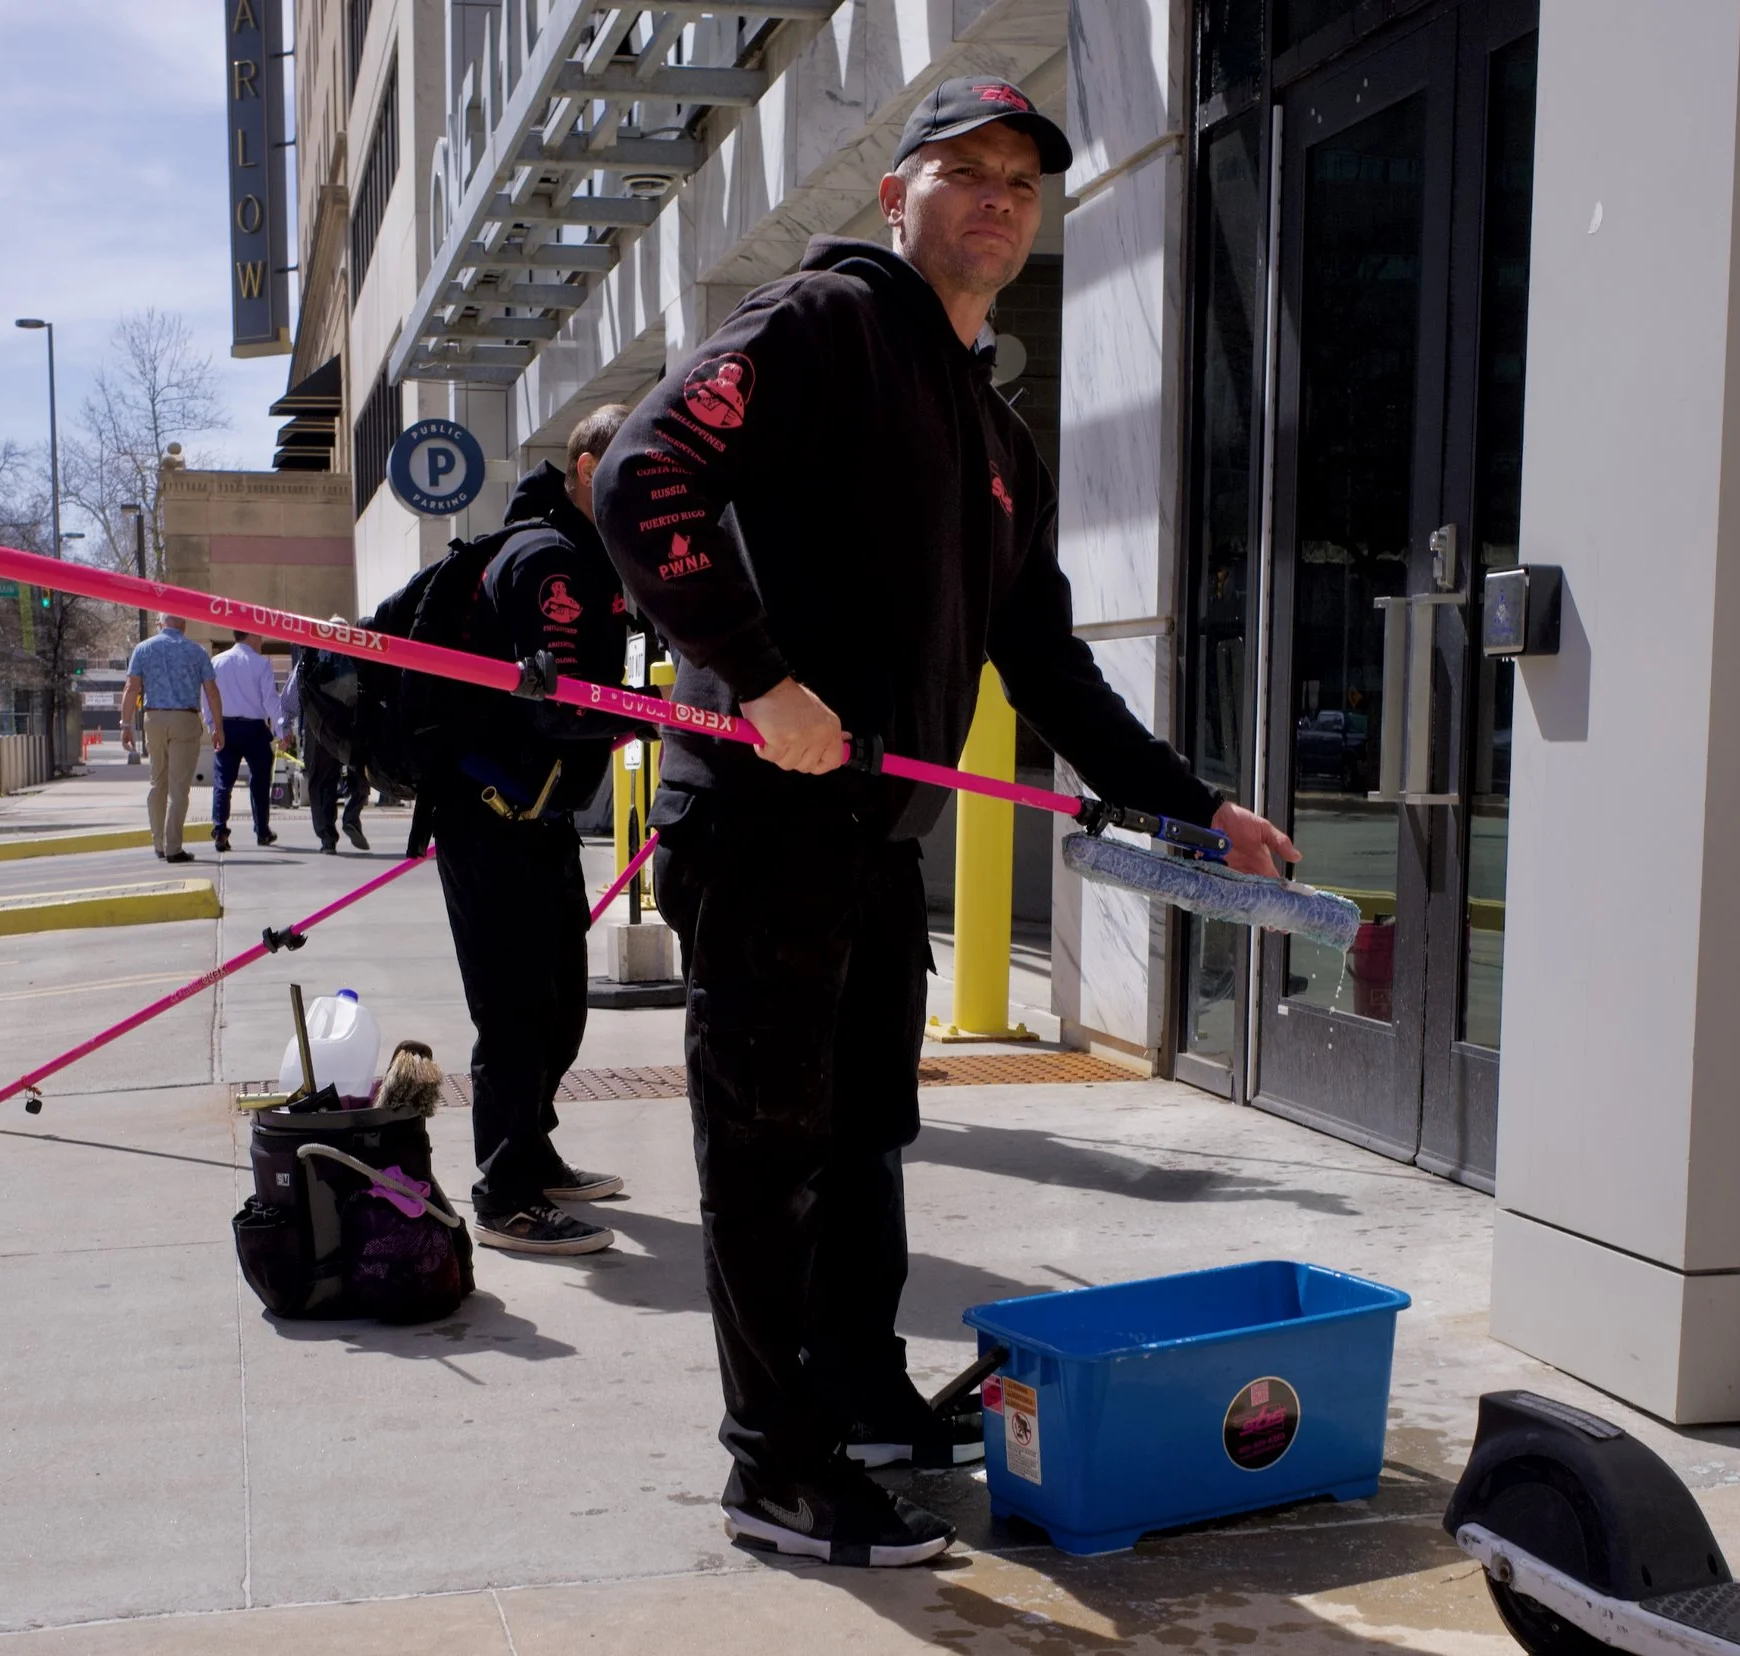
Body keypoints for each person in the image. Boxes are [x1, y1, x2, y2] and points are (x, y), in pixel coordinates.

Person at [593, 78, 1301, 1568]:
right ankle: (774, 1470)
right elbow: (646, 477)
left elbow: (1042, 658)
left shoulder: (992, 428)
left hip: (872, 843)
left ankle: (856, 1401)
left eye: (1021, 184)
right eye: (962, 171)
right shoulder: (820, 328)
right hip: (769, 820)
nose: (996, 198)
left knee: (861, 1137)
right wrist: (761, 680)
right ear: (893, 200)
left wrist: (1195, 804)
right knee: (769, 1148)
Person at [432, 404, 641, 1258]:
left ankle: (536, 1153)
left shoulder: (583, 554)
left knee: (558, 1006)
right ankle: (505, 1192)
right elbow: (561, 710)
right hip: (490, 820)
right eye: (633, 465)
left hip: (539, 819)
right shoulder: (549, 561)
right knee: (516, 1012)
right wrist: (652, 719)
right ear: (589, 471)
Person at [120, 613, 222, 864]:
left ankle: (158, 843)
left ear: (160, 624)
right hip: (185, 719)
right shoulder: (196, 651)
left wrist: (125, 724)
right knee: (179, 788)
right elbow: (211, 690)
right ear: (184, 625)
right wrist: (217, 725)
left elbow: (131, 688)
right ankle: (173, 846)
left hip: (154, 719)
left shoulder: (143, 649)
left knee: (158, 782)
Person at [279, 633, 368, 853]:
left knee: (320, 782)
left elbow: (289, 700)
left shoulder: (310, 658)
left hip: (317, 728)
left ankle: (327, 837)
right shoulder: (354, 656)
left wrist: (284, 727)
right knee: (358, 771)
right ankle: (352, 815)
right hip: (349, 726)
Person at [205, 633, 282, 852]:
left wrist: (213, 726)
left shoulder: (217, 662)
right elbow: (270, 699)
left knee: (223, 780)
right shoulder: (260, 664)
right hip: (254, 728)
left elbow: (207, 696)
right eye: (259, 636)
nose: (262, 641)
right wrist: (280, 729)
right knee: (260, 780)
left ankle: (220, 830)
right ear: (250, 636)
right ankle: (262, 830)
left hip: (226, 725)